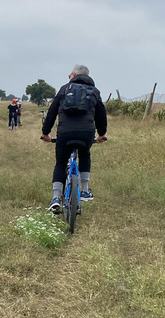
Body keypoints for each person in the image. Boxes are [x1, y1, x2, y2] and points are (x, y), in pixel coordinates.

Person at [41, 64, 107, 212]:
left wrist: (45, 133)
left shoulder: (64, 89)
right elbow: (101, 114)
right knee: (85, 154)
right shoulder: (94, 91)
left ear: (73, 74)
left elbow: (52, 112)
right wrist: (101, 134)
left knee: (61, 162)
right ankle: (84, 190)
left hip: (65, 132)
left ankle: (56, 197)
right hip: (87, 133)